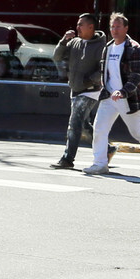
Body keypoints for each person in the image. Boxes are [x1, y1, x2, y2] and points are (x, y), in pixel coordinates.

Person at [85, 13, 140, 176]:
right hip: (109, 97)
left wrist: (123, 92)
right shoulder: (108, 48)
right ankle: (100, 163)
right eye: (112, 27)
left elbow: (137, 76)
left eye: (118, 27)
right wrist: (104, 86)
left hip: (127, 98)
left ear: (126, 28)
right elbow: (105, 71)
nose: (114, 30)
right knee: (99, 128)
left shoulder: (134, 48)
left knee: (138, 131)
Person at [49, 13, 104, 170]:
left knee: (74, 124)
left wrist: (89, 80)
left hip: (90, 91)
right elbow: (57, 57)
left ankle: (68, 159)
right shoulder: (74, 42)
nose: (77, 27)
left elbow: (104, 68)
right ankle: (107, 150)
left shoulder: (101, 46)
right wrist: (64, 40)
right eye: (77, 24)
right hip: (76, 89)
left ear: (91, 27)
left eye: (81, 24)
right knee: (84, 125)